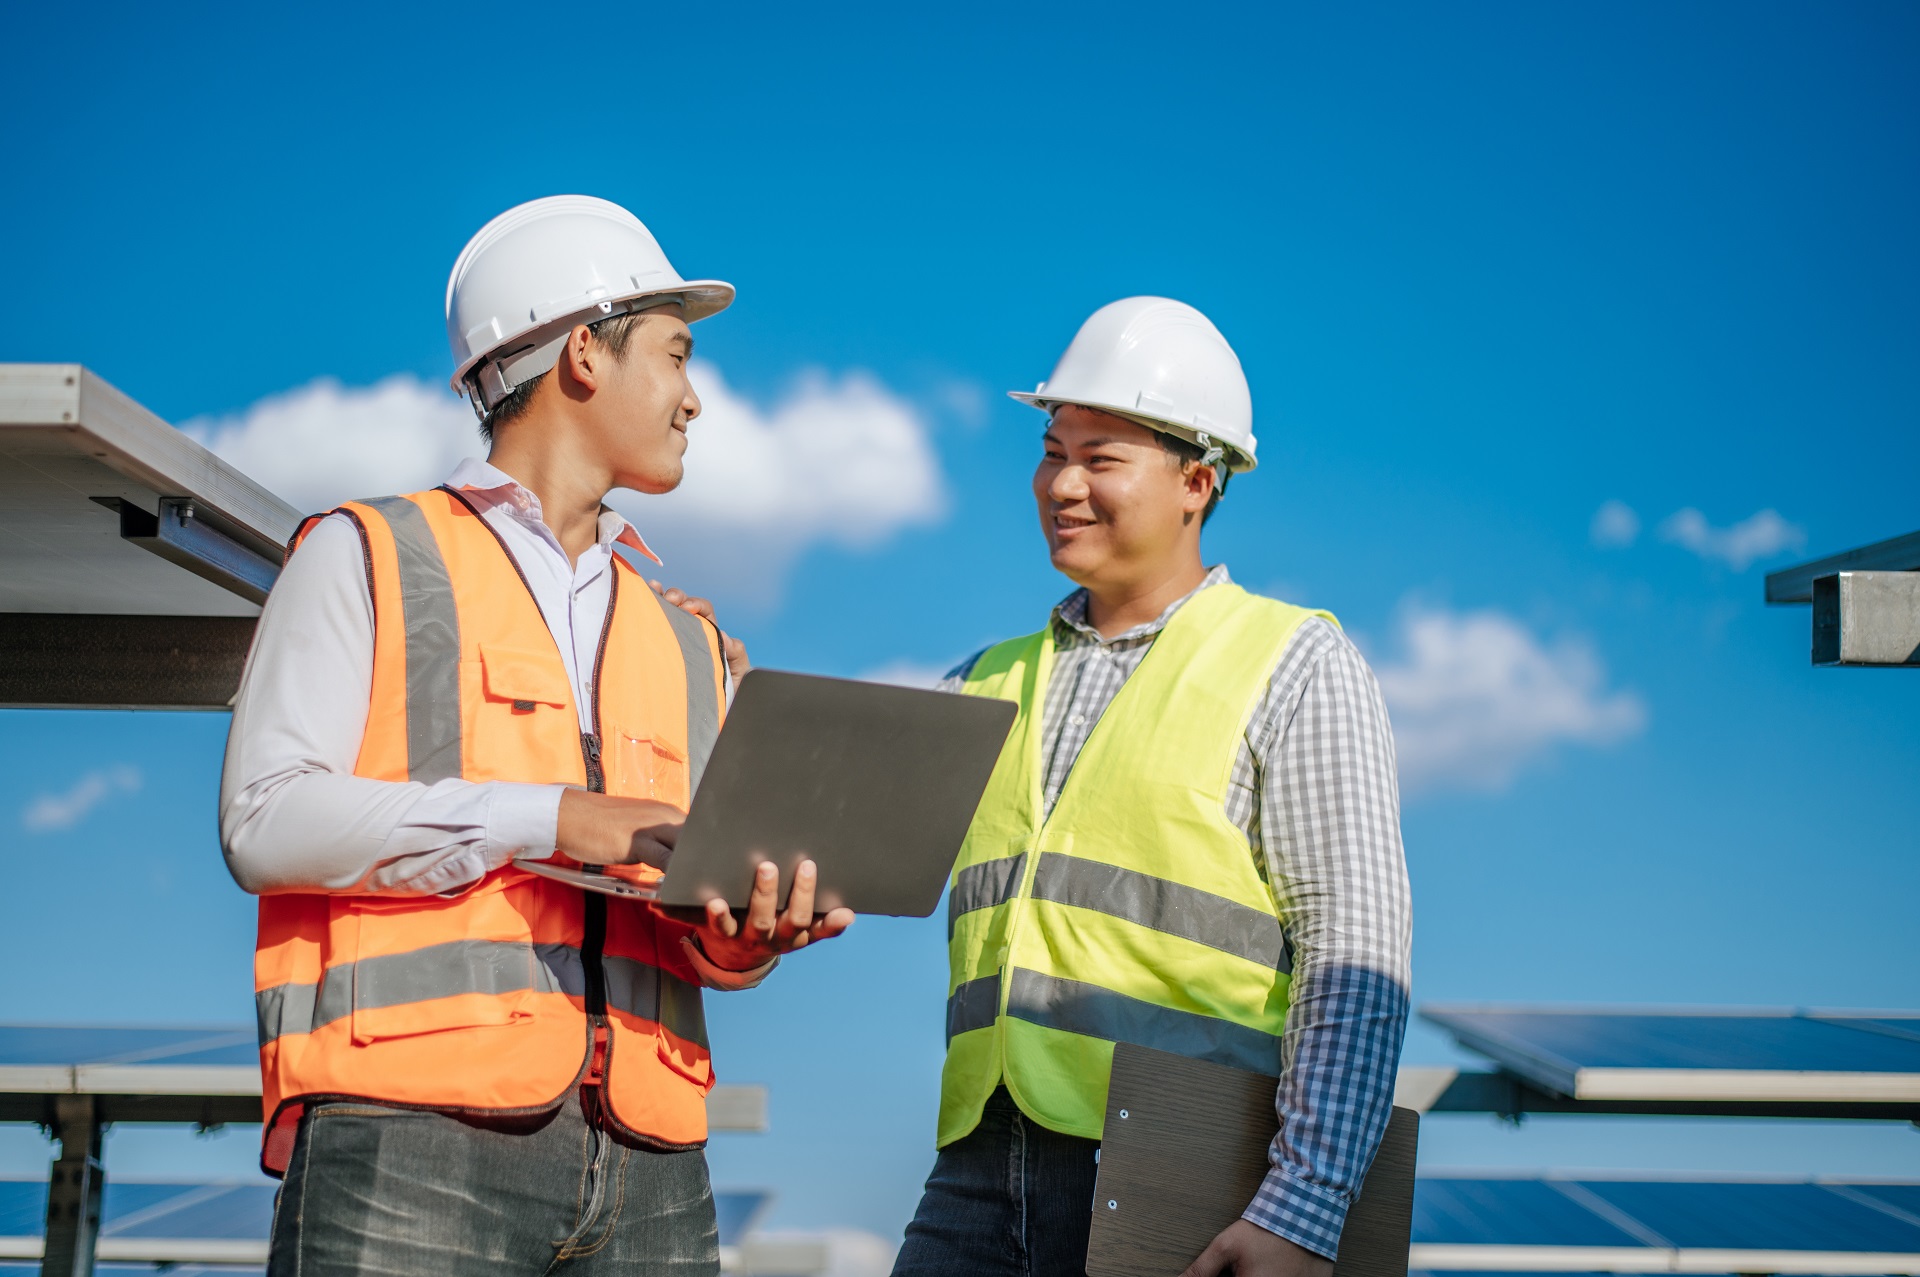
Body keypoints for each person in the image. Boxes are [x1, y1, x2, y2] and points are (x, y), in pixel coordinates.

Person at [220, 195, 852, 1276]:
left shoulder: (689, 638)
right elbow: (265, 818)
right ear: (582, 355)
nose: (694, 398)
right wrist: (552, 818)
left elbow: (689, 918)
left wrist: (745, 936)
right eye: (676, 354)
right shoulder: (367, 553)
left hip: (653, 1160)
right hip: (409, 1132)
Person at [892, 297, 1412, 1277]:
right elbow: (842, 857)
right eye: (1053, 451)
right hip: (974, 1169)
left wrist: (1303, 1204)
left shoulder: (1295, 662)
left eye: (1102, 457)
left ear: (1197, 480)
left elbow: (1354, 947)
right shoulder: (976, 682)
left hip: (1189, 1173)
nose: (1062, 483)